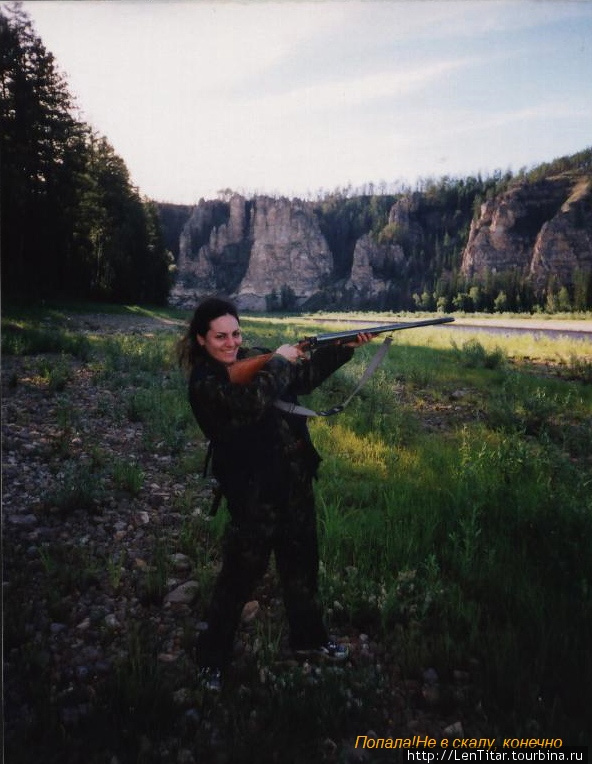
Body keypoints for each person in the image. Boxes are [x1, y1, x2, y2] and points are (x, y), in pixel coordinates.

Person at [178, 296, 372, 691]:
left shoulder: (252, 359)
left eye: (236, 333)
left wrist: (342, 351)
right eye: (220, 337)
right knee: (239, 577)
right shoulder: (205, 384)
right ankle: (211, 658)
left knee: (302, 565)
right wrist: (281, 360)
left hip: (292, 478)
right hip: (254, 492)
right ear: (201, 340)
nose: (231, 343)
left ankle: (309, 640)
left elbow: (300, 381)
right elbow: (250, 403)